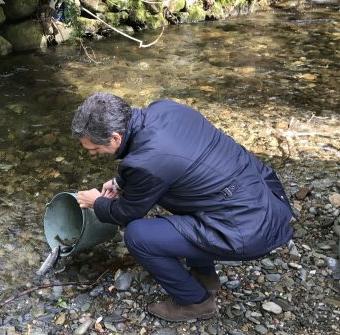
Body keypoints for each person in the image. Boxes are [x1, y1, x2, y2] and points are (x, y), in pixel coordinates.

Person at [72, 92, 294, 321]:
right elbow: (171, 161)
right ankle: (204, 275)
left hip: (251, 230)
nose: (91, 154)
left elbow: (125, 213)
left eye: (93, 149)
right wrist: (120, 181)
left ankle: (195, 302)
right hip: (268, 200)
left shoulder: (145, 164)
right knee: (190, 192)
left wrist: (96, 202)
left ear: (116, 138)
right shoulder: (165, 109)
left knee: (138, 235)